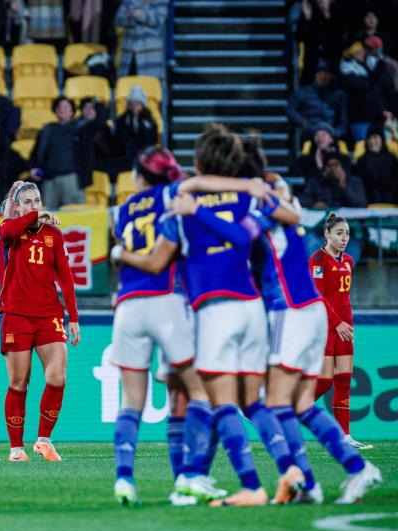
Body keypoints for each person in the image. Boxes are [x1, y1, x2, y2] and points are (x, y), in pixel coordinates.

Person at [171, 150, 381, 504]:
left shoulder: (260, 202)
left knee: (277, 403)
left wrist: (199, 211)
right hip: (307, 310)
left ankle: (353, 469)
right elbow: (289, 213)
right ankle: (311, 484)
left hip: (291, 309)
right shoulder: (273, 194)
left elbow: (238, 236)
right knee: (299, 404)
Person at [118, 125, 305, 506]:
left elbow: (157, 260)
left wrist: (122, 257)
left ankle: (205, 479)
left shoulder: (177, 208)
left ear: (200, 164)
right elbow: (286, 218)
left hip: (202, 310)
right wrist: (260, 188)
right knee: (251, 402)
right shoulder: (252, 200)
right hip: (254, 306)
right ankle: (292, 471)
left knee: (196, 398)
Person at [108, 147, 223, 505]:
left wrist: (119, 255)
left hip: (127, 306)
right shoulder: (170, 195)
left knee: (131, 403)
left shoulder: (120, 211)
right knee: (199, 393)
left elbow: (121, 249)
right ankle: (190, 476)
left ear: (138, 176)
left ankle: (125, 480)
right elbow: (197, 187)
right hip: (166, 301)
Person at [0, 181, 80, 462]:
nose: (34, 205)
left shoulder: (54, 236)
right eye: (29, 201)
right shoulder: (10, 230)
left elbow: (66, 278)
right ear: (18, 207)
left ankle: (44, 440)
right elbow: (8, 231)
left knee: (57, 377)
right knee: (19, 382)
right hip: (17, 315)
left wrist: (73, 317)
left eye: (38, 201)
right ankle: (16, 449)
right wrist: (35, 217)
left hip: (49, 315)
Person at [311, 214, 372, 450]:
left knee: (344, 381)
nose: (344, 238)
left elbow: (342, 298)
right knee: (325, 383)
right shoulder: (317, 260)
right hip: (327, 327)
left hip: (346, 327)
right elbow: (319, 297)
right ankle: (289, 413)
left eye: (346, 233)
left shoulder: (347, 260)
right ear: (327, 234)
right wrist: (336, 323)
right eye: (339, 233)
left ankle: (345, 435)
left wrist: (346, 322)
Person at [30, 97, 83, 208]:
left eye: (65, 107)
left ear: (72, 112)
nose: (61, 109)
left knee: (73, 217)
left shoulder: (80, 129)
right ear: (55, 111)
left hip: (71, 179)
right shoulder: (46, 130)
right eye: (58, 107)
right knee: (47, 218)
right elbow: (34, 153)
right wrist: (33, 168)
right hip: (49, 180)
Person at [286, 59, 348, 140]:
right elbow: (289, 108)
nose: (322, 76)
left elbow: (344, 119)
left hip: (331, 133)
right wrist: (301, 122)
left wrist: (336, 133)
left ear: (331, 76)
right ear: (315, 75)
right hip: (311, 132)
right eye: (319, 72)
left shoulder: (338, 94)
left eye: (326, 73)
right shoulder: (304, 91)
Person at [114, 0, 168, 80]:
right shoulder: (127, 1)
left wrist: (139, 14)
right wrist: (139, 16)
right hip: (129, 54)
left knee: (151, 87)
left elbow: (159, 20)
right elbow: (118, 20)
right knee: (126, 87)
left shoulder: (160, 1)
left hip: (151, 55)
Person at [300, 149, 368, 209]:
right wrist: (313, 205)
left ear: (342, 167)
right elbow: (304, 201)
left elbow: (361, 205)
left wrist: (343, 185)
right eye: (329, 165)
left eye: (336, 165)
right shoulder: (315, 183)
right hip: (323, 220)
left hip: (348, 221)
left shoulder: (355, 182)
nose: (332, 168)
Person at [356, 124, 398, 204]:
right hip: (369, 200)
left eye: (375, 137)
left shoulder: (392, 158)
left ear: (382, 139)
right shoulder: (361, 160)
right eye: (369, 138)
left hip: (392, 198)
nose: (372, 142)